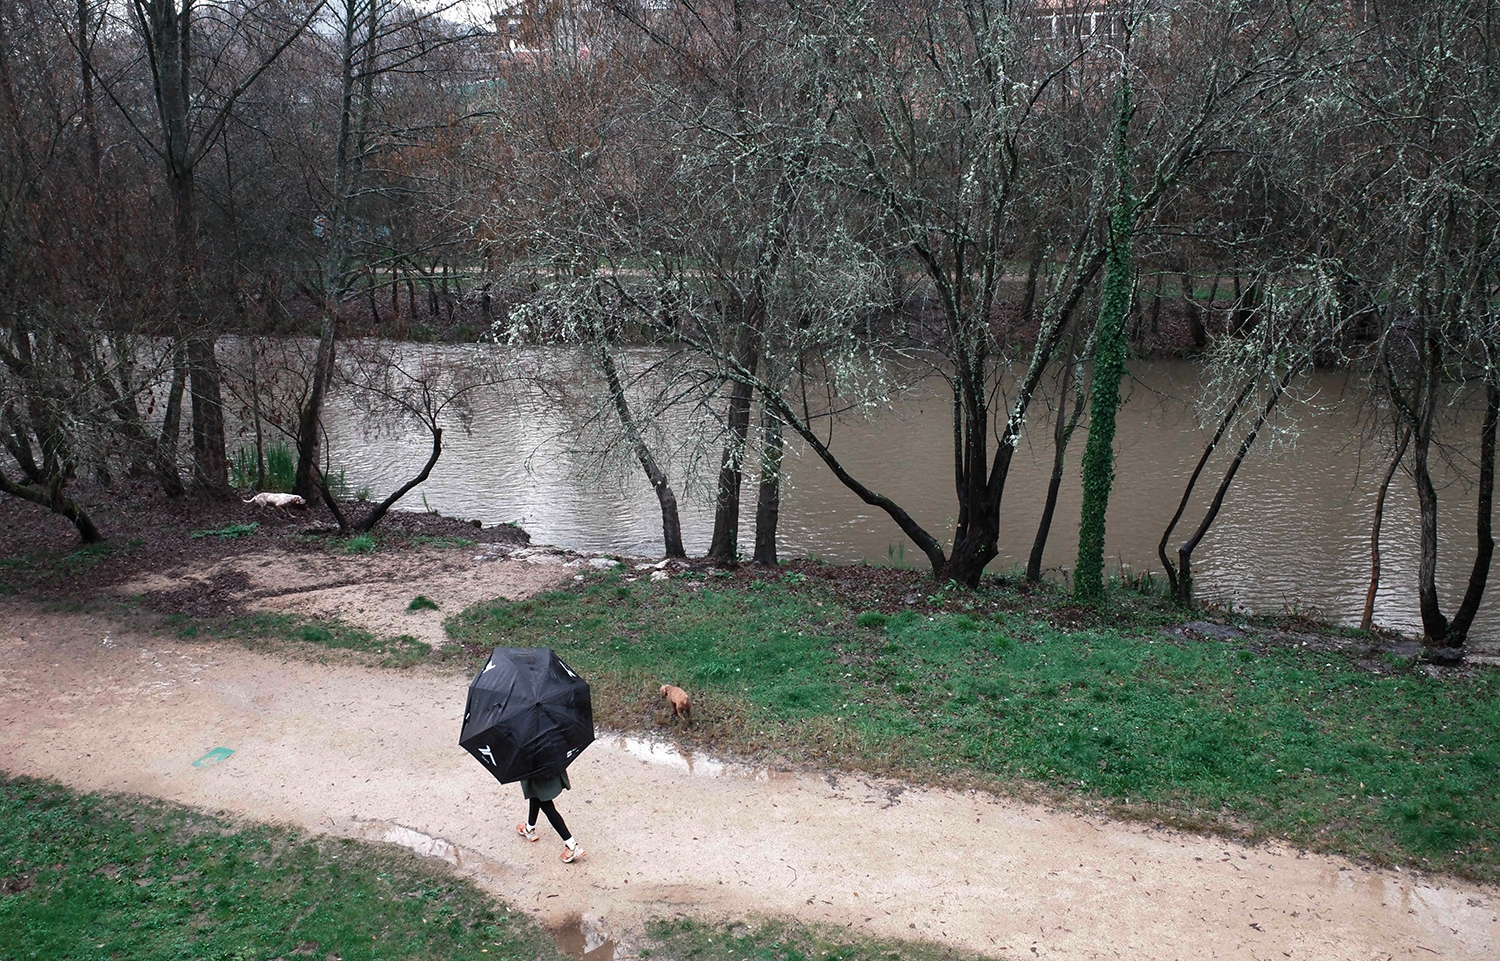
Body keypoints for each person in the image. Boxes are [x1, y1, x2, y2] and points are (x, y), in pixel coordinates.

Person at [516, 768, 583, 863]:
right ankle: (529, 829)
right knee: (535, 793)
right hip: (547, 767)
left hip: (534, 769)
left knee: (547, 806)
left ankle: (571, 845)